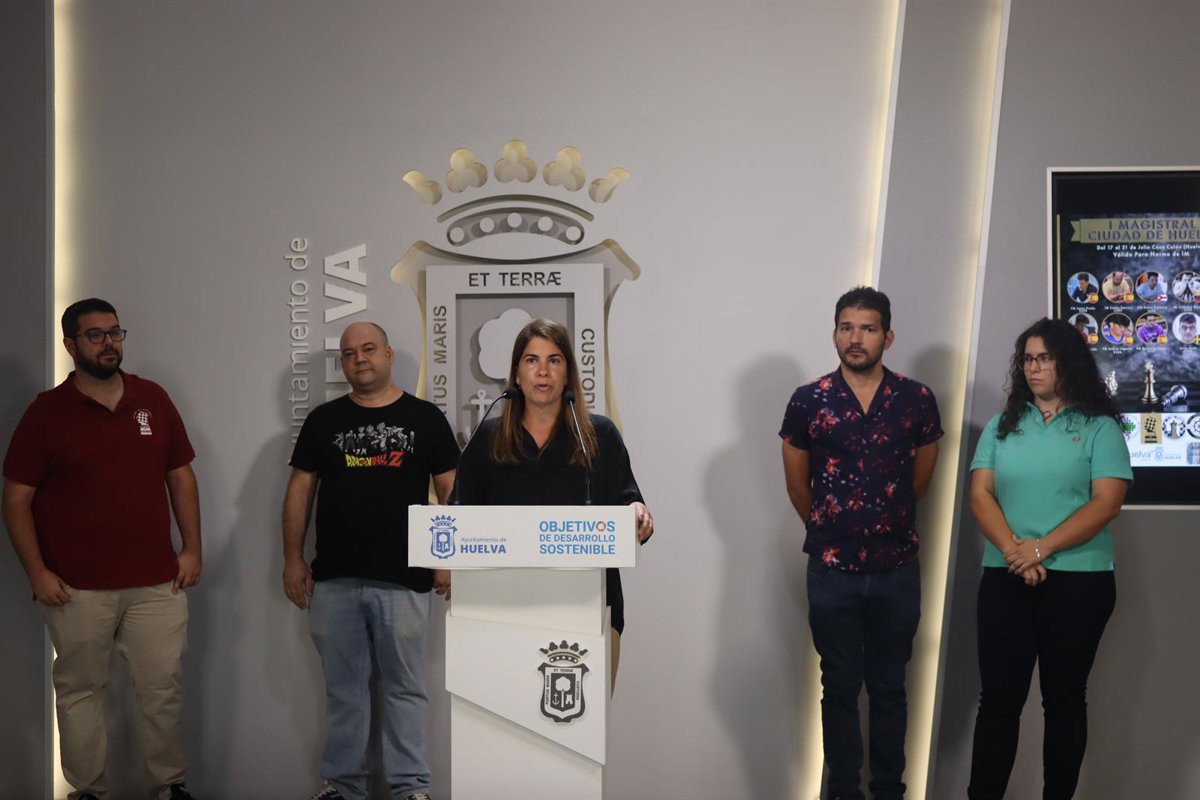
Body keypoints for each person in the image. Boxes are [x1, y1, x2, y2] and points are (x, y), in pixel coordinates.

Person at [2, 298, 203, 800]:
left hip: (156, 581)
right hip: (75, 587)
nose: (109, 342)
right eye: (95, 335)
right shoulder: (46, 412)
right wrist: (37, 573)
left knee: (162, 689)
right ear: (70, 345)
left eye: (115, 332)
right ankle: (89, 790)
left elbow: (180, 476)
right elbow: (16, 499)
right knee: (79, 692)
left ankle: (168, 786)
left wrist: (192, 548)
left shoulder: (152, 398)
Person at [283, 321, 459, 800]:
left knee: (406, 689)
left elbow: (450, 490)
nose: (359, 358)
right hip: (333, 580)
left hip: (406, 578)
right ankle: (343, 787)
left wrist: (448, 557)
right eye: (348, 353)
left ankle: (410, 788)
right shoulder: (323, 420)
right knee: (344, 692)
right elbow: (300, 491)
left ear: (388, 354)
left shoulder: (425, 418)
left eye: (368, 349)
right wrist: (292, 559)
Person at [779, 286, 942, 800]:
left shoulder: (916, 400)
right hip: (832, 571)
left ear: (887, 337)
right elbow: (798, 486)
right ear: (834, 334)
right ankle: (842, 790)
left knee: (891, 689)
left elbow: (920, 483)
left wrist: (881, 520)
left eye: (868, 328)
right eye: (846, 327)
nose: (856, 338)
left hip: (897, 567)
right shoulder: (809, 400)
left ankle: (890, 790)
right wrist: (837, 528)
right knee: (839, 688)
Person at [966, 317, 1130, 800]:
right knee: (998, 700)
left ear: (1067, 363)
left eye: (1045, 358)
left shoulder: (1100, 427)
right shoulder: (1002, 425)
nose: (1034, 368)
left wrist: (1042, 548)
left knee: (1064, 701)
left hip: (1079, 583)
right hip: (1006, 577)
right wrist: (1017, 552)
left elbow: (1106, 503)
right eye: (1028, 359)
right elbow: (980, 495)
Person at [453, 318, 654, 685]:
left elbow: (629, 501)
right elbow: (460, 515)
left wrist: (637, 513)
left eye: (554, 360)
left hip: (591, 607)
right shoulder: (487, 439)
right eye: (531, 360)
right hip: (501, 610)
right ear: (516, 374)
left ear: (568, 374)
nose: (542, 371)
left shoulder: (600, 435)